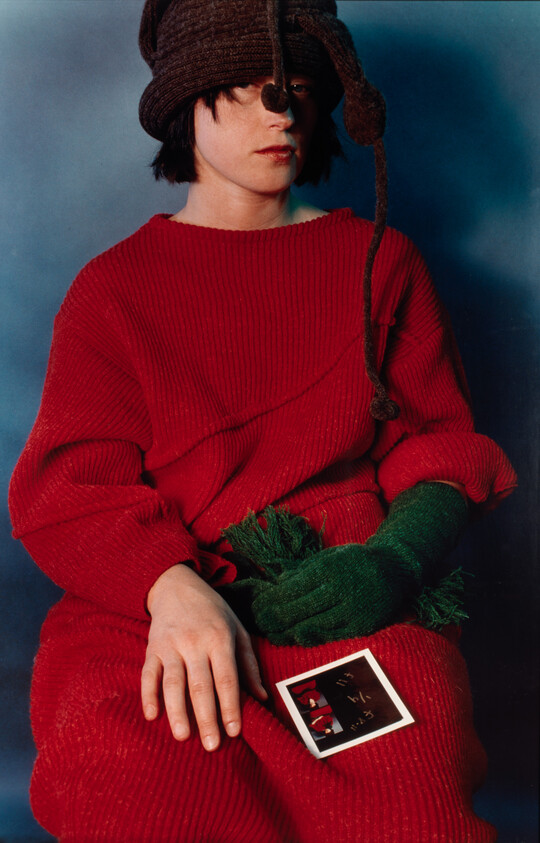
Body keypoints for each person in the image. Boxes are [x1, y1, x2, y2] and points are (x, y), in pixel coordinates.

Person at [9, 1, 517, 840]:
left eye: (296, 89)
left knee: (413, 800)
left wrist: (391, 562)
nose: (278, 115)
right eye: (242, 92)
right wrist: (169, 587)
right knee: (136, 783)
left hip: (342, 595)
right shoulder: (114, 289)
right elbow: (70, 483)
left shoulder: (379, 264)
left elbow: (438, 448)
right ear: (184, 107)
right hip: (156, 605)